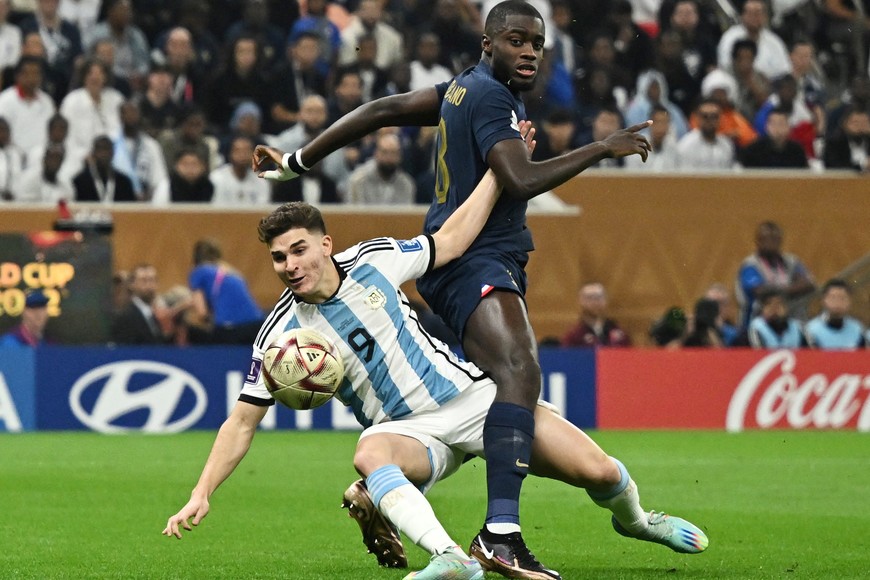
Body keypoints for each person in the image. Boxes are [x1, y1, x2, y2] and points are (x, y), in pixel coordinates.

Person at [250, 1, 652, 576]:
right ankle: (500, 535)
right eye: (516, 40)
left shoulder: (465, 87)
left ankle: (399, 490)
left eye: (536, 43)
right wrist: (599, 149)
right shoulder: (490, 97)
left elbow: (384, 108)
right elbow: (519, 178)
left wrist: (296, 159)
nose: (529, 51)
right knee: (518, 370)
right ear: (488, 43)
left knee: (517, 395)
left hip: (471, 258)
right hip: (471, 256)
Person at [162, 172, 707, 580]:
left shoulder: (374, 259)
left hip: (473, 399)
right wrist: (201, 492)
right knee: (370, 452)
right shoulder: (279, 334)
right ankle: (449, 557)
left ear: (325, 244)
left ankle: (635, 520)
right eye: (279, 258)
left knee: (601, 472)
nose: (290, 264)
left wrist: (497, 174)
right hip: (408, 433)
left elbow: (448, 240)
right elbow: (240, 423)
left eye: (299, 249)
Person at [735, 220, 815, 329]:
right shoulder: (750, 265)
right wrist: (790, 290)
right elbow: (760, 291)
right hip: (757, 324)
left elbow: (808, 284)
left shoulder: (791, 261)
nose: (770, 243)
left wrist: (776, 292)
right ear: (757, 241)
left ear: (780, 240)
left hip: (792, 323)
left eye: (774, 239)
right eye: (765, 239)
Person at [186, 238, 264, 345]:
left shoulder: (198, 272)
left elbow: (202, 313)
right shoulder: (231, 271)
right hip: (258, 325)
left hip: (230, 329)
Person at [109, 264, 167, 345]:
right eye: (144, 280)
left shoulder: (152, 315)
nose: (149, 285)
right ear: (132, 284)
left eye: (152, 280)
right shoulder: (126, 316)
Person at [560, 282, 631, 347]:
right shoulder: (574, 334)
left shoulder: (619, 332)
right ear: (581, 302)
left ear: (605, 301)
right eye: (589, 298)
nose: (595, 302)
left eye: (599, 297)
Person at [805, 279, 867, 349]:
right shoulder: (811, 330)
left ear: (849, 301)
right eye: (833, 298)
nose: (837, 303)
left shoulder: (858, 330)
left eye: (842, 298)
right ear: (824, 300)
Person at [737, 288, 808, 348]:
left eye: (779, 304)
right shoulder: (753, 331)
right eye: (769, 304)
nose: (774, 308)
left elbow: (812, 355)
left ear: (786, 307)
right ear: (762, 309)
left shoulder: (799, 329)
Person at [739, 107, 809, 168]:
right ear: (766, 127)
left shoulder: (797, 151)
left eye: (781, 124)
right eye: (773, 124)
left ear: (788, 127)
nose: (777, 128)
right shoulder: (753, 151)